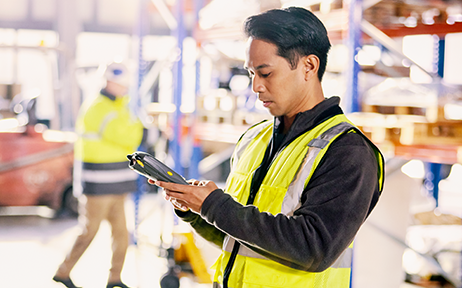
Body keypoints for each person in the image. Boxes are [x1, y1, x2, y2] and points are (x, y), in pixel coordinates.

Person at [151, 6, 385, 288]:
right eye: (251, 73)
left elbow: (314, 248)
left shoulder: (347, 151)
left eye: (265, 73)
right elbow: (242, 238)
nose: (255, 87)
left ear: (309, 66)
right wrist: (197, 211)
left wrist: (215, 205)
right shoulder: (254, 138)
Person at [53, 61, 143, 288]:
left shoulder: (119, 106)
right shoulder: (98, 108)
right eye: (120, 84)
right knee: (89, 231)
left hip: (117, 181)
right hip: (98, 183)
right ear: (109, 82)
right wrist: (139, 128)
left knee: (121, 233)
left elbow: (130, 132)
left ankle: (114, 279)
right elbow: (129, 136)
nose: (124, 89)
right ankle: (63, 272)